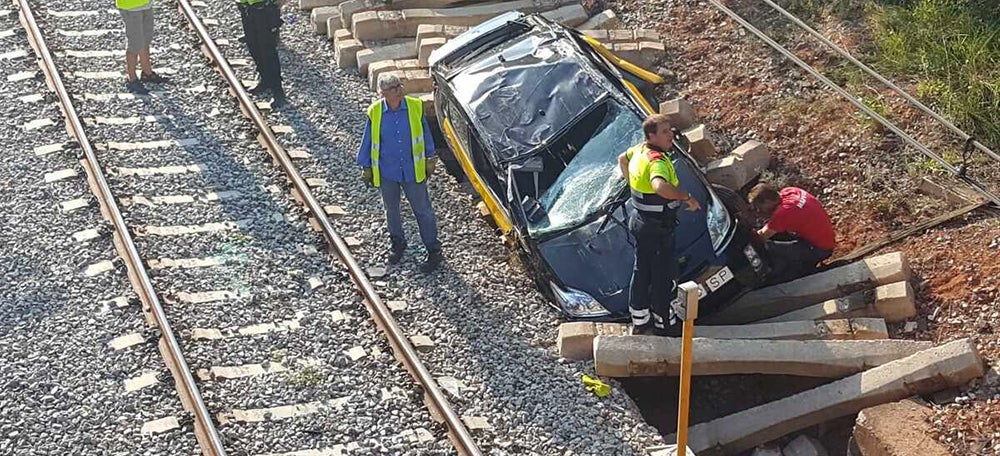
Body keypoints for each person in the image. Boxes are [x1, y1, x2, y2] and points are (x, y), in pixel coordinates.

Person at [617, 114, 701, 335]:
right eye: (664, 132)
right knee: (663, 275)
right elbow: (660, 187)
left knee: (642, 270)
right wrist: (686, 197)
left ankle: (640, 318)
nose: (670, 135)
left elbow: (621, 159)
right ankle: (665, 323)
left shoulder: (638, 150)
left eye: (670, 130)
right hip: (657, 229)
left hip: (640, 221)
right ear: (651, 136)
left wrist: (633, 187)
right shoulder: (657, 161)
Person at [357, 73, 443, 272]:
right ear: (383, 93)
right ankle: (397, 243)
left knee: (423, 211)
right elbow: (368, 140)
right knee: (392, 211)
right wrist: (366, 166)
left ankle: (433, 250)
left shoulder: (415, 106)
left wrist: (430, 157)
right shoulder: (375, 112)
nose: (399, 91)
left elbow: (425, 134)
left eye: (399, 86)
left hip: (412, 170)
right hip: (388, 171)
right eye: (394, 89)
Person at [748, 183, 836, 285]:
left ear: (767, 201)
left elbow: (761, 237)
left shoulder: (783, 213)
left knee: (768, 246)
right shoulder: (790, 191)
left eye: (759, 207)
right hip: (824, 237)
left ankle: (795, 273)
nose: (759, 210)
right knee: (778, 234)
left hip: (819, 249)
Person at [236, 0, 286, 107]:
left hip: (265, 8)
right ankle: (265, 80)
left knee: (268, 49)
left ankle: (277, 91)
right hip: (246, 7)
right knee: (253, 45)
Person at [116, 0, 168, 94]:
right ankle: (131, 78)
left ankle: (147, 73)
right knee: (135, 43)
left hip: (146, 4)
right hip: (130, 6)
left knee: (145, 40)